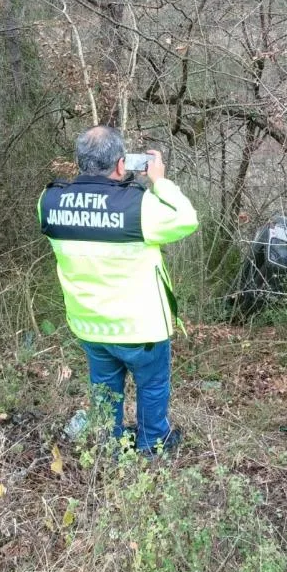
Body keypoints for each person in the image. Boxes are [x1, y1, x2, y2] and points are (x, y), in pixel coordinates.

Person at [38, 126, 198, 455]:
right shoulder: (138, 207)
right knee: (152, 388)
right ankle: (152, 446)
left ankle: (110, 447)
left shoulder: (49, 201)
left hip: (90, 325)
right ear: (122, 164)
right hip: (142, 328)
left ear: (80, 162)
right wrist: (160, 180)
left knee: (104, 389)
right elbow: (186, 218)